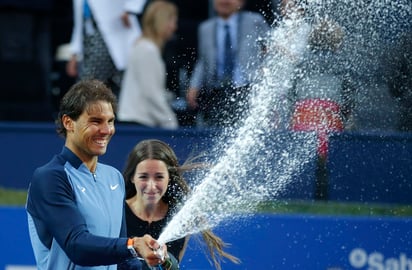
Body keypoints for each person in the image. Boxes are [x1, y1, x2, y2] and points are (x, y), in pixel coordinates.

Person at [25, 79, 168, 269]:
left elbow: (122, 260)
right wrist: (133, 245)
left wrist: (149, 259)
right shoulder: (49, 178)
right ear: (68, 122)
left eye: (110, 121)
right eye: (95, 121)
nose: (106, 130)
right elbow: (77, 246)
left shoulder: (114, 177)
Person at [122, 139, 240, 270]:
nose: (151, 186)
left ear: (169, 178)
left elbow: (175, 266)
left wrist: (165, 259)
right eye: (143, 177)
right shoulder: (116, 211)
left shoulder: (181, 218)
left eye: (159, 177)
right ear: (132, 177)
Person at [186, 0, 270, 127]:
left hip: (248, 88)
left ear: (241, 2)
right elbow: (203, 61)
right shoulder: (205, 28)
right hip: (216, 91)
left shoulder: (254, 21)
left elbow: (271, 47)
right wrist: (194, 86)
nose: (224, 1)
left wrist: (266, 70)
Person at [117, 0, 179, 129]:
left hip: (137, 120)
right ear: (162, 22)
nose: (175, 27)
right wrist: (170, 122)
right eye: (173, 21)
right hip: (138, 123)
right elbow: (151, 94)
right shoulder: (147, 50)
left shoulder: (144, 47)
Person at [65, 0, 144, 96]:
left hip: (118, 38)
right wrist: (74, 55)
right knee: (89, 91)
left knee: (92, 90)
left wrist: (130, 9)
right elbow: (79, 24)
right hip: (90, 43)